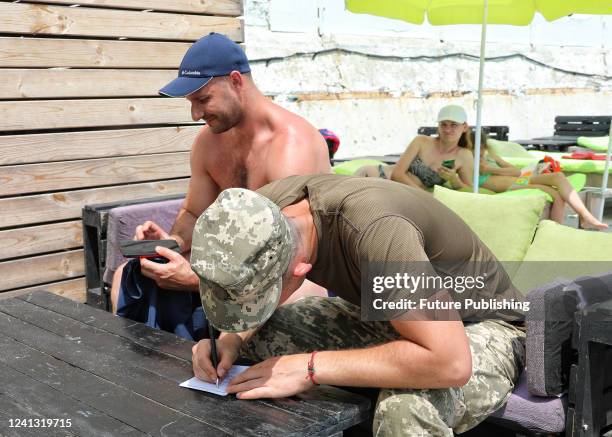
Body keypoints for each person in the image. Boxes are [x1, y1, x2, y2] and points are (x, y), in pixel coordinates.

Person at [190, 174, 527, 437]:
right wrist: (230, 339)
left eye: (259, 299)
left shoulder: (379, 231)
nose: (252, 306)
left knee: (405, 409)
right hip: (397, 317)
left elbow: (450, 362)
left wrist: (309, 368)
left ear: (300, 271)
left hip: (481, 327)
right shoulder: (258, 213)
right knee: (267, 338)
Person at [110, 33, 331, 339]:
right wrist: (171, 243)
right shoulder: (208, 143)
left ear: (236, 81)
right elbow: (193, 213)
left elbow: (287, 255)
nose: (195, 114)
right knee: (127, 275)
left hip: (293, 271)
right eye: (191, 103)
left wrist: (199, 281)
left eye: (203, 100)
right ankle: (154, 374)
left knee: (303, 296)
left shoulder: (291, 145)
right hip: (229, 263)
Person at [476, 132, 607, 230]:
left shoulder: (491, 156)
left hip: (519, 178)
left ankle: (583, 217)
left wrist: (490, 168)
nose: (482, 150)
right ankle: (582, 218)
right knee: (556, 187)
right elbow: (513, 173)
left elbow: (515, 170)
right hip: (517, 182)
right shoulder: (471, 161)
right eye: (478, 147)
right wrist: (491, 169)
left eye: (483, 146)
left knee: (552, 171)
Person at [354, 105, 474, 191]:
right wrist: (425, 197)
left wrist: (454, 179)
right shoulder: (421, 141)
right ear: (438, 126)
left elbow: (469, 191)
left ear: (464, 127)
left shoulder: (464, 156)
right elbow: (397, 174)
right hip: (377, 176)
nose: (448, 130)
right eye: (443, 124)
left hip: (399, 193)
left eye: (454, 125)